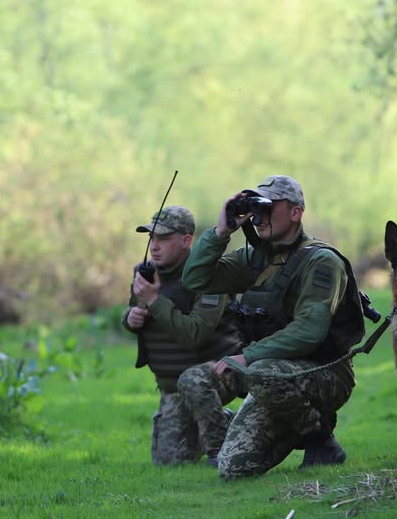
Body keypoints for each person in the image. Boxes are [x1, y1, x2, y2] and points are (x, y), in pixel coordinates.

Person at [180, 175, 366, 478]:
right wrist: (221, 231)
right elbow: (195, 279)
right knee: (232, 463)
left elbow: (310, 331)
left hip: (323, 372)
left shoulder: (321, 261)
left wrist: (247, 356)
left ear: (295, 213)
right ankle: (252, 427)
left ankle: (319, 438)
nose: (259, 215)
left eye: (269, 206)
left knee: (261, 372)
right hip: (268, 373)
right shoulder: (254, 258)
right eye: (256, 207)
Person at [123, 205, 244, 466]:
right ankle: (220, 420)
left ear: (186, 240)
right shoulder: (144, 273)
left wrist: (154, 301)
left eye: (163, 239)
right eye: (151, 238)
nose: (155, 246)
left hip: (218, 375)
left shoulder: (210, 274)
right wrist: (131, 318)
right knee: (169, 462)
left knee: (194, 382)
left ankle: (220, 450)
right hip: (172, 386)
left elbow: (195, 335)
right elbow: (136, 311)